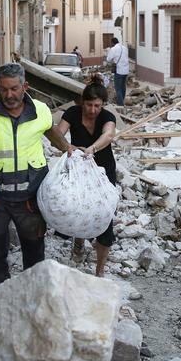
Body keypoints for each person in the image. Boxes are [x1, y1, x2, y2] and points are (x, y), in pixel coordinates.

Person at [0, 63, 75, 289]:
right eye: (3, 89)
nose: (9, 95)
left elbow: (51, 131)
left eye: (14, 89)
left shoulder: (40, 110)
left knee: (34, 248)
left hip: (30, 196)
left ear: (25, 87)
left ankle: (32, 297)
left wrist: (67, 147)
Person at [51, 75, 118, 277]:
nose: (92, 110)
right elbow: (58, 133)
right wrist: (67, 146)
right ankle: (79, 239)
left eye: (97, 105)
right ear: (82, 102)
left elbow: (108, 134)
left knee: (105, 217)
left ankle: (100, 271)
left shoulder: (107, 117)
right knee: (76, 208)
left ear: (103, 104)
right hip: (78, 170)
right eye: (89, 105)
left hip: (103, 171)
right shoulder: (72, 113)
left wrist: (92, 148)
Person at [105, 37, 129, 106]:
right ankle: (122, 101)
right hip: (126, 70)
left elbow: (108, 59)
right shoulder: (125, 48)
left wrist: (109, 52)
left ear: (112, 43)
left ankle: (121, 104)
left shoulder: (113, 49)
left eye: (111, 43)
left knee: (118, 88)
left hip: (119, 71)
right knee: (123, 87)